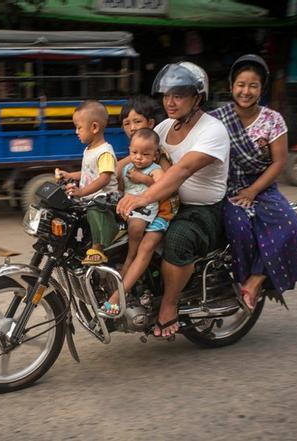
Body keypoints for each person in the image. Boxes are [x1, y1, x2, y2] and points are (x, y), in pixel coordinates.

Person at [117, 62, 230, 337]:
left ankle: (169, 305)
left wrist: (143, 197)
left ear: (197, 98)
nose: (170, 101)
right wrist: (97, 176)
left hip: (201, 211)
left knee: (178, 239)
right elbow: (137, 158)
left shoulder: (212, 130)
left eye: (178, 95)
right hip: (165, 202)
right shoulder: (166, 127)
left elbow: (182, 170)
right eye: (167, 95)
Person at [208, 54, 297, 310]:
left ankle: (255, 279)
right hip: (227, 187)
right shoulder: (215, 119)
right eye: (240, 84)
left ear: (261, 89)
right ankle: (238, 281)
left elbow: (279, 162)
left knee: (290, 224)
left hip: (262, 186)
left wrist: (253, 190)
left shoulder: (273, 120)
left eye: (253, 85)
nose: (245, 91)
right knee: (238, 225)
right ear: (231, 86)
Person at [103, 128, 165, 314]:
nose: (138, 158)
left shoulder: (155, 170)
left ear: (155, 155)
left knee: (136, 228)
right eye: (134, 153)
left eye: (145, 154)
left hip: (146, 211)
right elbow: (121, 187)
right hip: (128, 208)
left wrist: (144, 179)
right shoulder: (128, 168)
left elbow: (162, 186)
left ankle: (131, 256)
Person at [56, 100, 119, 265]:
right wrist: (69, 175)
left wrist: (82, 192)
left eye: (79, 127)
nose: (76, 132)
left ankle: (98, 249)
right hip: (92, 197)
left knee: (94, 209)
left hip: (105, 199)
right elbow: (88, 173)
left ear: (95, 127)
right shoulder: (89, 149)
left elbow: (104, 178)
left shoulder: (105, 152)